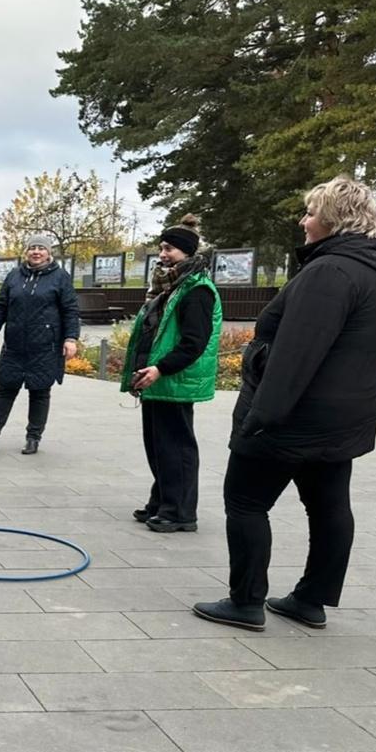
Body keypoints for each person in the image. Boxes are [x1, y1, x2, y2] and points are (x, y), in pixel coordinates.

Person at [194, 176, 376, 631]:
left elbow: (295, 355)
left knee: (246, 501)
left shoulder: (329, 273)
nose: (303, 221)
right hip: (342, 420)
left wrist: (259, 417)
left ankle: (246, 602)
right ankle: (310, 600)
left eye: (310, 213)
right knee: (329, 505)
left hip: (291, 418)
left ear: (332, 221)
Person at [120, 214, 222, 533]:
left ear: (187, 253)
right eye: (162, 248)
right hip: (157, 377)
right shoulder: (170, 286)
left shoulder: (197, 290)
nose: (163, 255)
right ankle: (161, 500)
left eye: (170, 250)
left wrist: (161, 368)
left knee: (175, 446)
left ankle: (179, 512)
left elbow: (194, 343)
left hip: (173, 380)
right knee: (158, 443)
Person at [0, 234, 80, 455]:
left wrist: (70, 339)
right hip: (15, 345)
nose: (36, 252)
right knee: (5, 388)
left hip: (44, 345)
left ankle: (33, 438)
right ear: (26, 252)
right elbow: (1, 306)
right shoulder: (14, 276)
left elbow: (70, 310)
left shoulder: (60, 277)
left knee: (39, 391)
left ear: (49, 253)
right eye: (32, 248)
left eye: (41, 248)